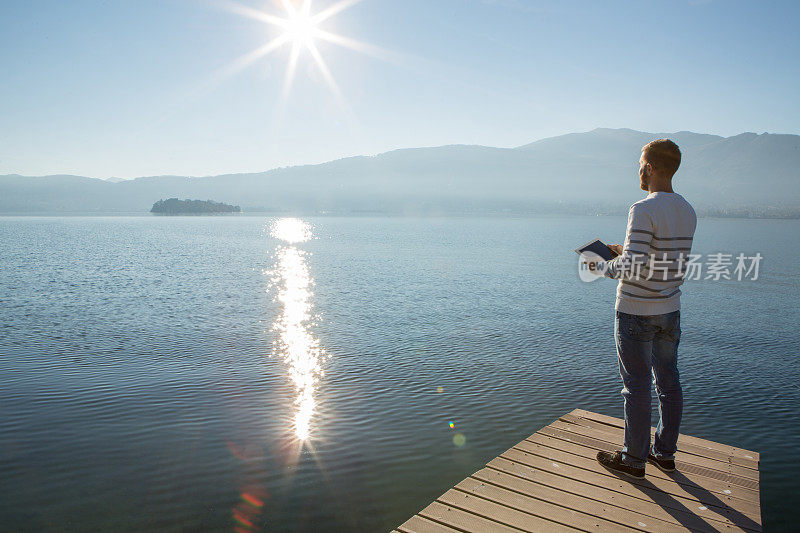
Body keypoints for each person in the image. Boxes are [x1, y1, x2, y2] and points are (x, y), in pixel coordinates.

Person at [592, 139, 697, 479]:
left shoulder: (642, 208)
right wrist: (625, 251)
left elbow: (634, 267)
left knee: (636, 386)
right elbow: (663, 259)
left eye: (640, 163)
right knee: (669, 383)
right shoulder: (687, 210)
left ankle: (633, 459)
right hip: (670, 309)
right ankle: (664, 454)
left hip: (637, 311)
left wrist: (601, 263)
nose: (638, 169)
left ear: (650, 168)